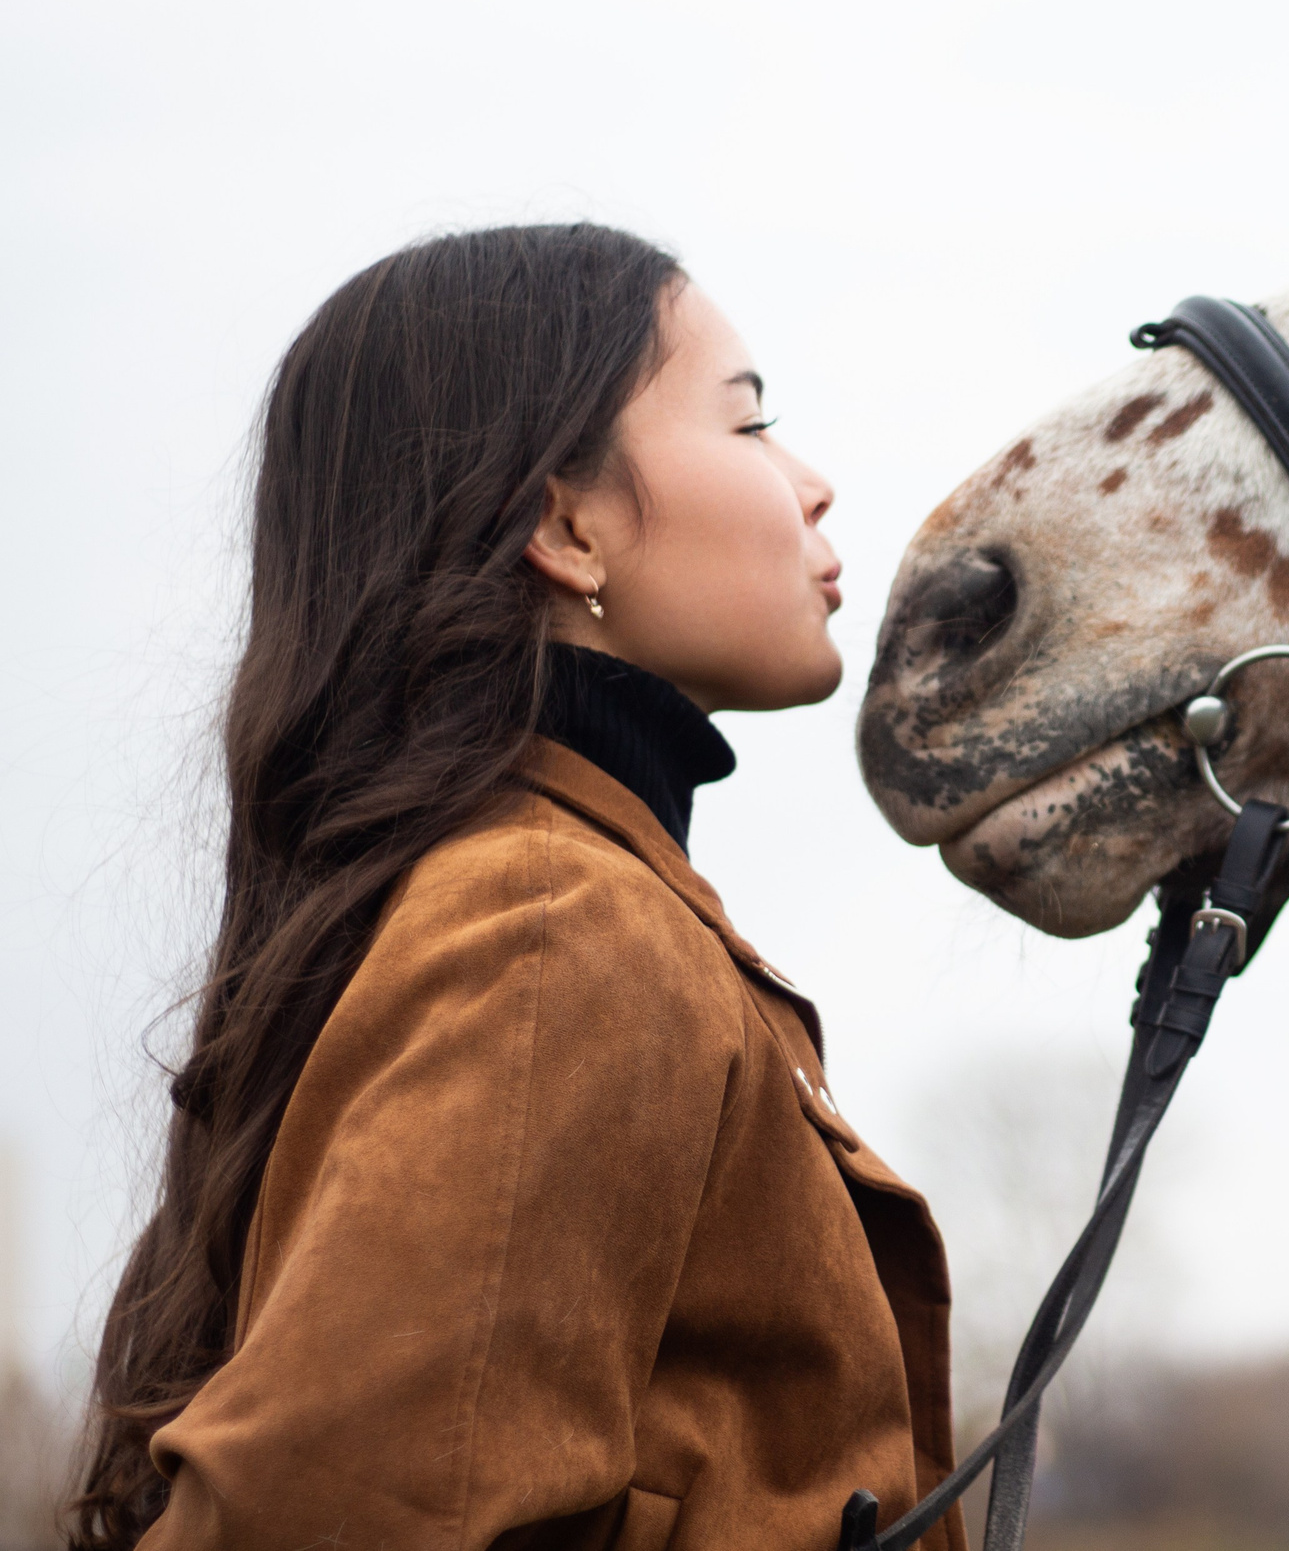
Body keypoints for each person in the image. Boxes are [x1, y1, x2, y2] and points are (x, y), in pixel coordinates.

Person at [69, 226, 961, 1550]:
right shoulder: (560, 928)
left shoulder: (552, 899)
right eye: (752, 422)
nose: (814, 484)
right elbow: (325, 1519)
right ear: (564, 522)